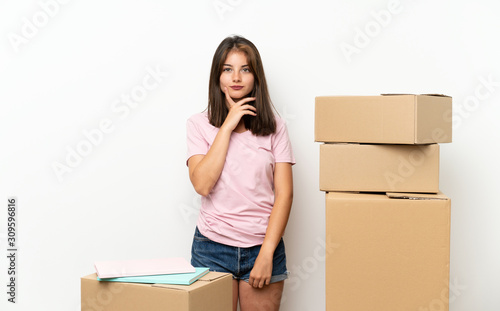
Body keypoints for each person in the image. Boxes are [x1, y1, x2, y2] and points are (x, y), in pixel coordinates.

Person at [186, 35, 295, 311]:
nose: (236, 77)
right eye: (227, 69)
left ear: (255, 77)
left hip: (263, 246)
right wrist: (228, 125)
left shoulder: (276, 128)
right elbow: (202, 184)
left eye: (245, 69)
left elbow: (284, 194)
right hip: (212, 247)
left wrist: (267, 254)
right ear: (217, 76)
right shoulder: (198, 125)